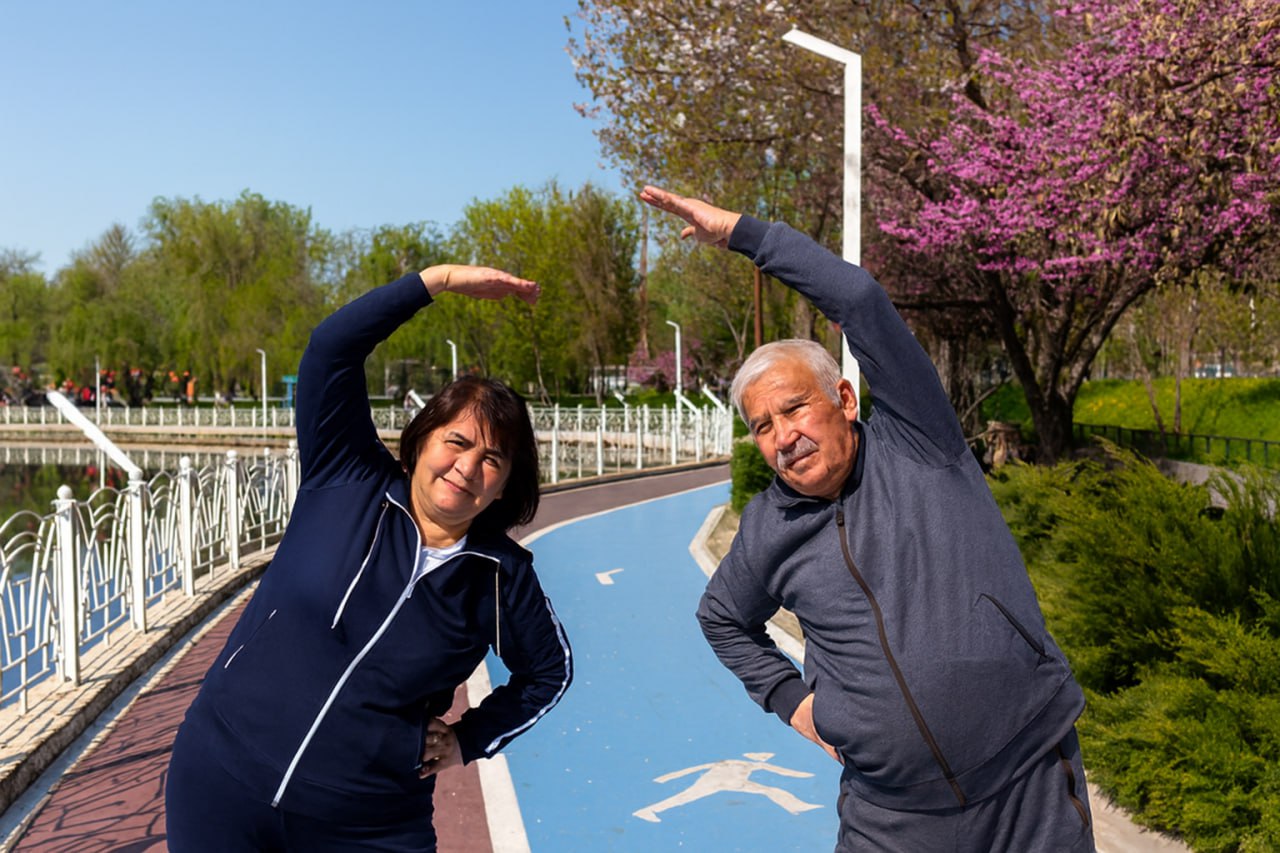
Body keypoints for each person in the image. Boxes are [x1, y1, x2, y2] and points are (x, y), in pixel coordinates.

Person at [640, 185, 1095, 852]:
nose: (782, 435)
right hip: (892, 814)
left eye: (794, 408)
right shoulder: (768, 528)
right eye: (762, 426)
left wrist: (744, 234)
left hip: (1028, 781)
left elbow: (859, 300)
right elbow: (722, 618)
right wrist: (792, 701)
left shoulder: (919, 439)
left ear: (845, 399)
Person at [165, 264, 573, 851]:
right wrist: (437, 281)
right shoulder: (348, 477)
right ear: (421, 441)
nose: (466, 467)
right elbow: (331, 350)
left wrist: (469, 739)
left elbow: (548, 672)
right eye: (456, 442)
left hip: (368, 821)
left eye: (492, 460)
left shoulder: (499, 575)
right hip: (222, 779)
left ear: (505, 486)